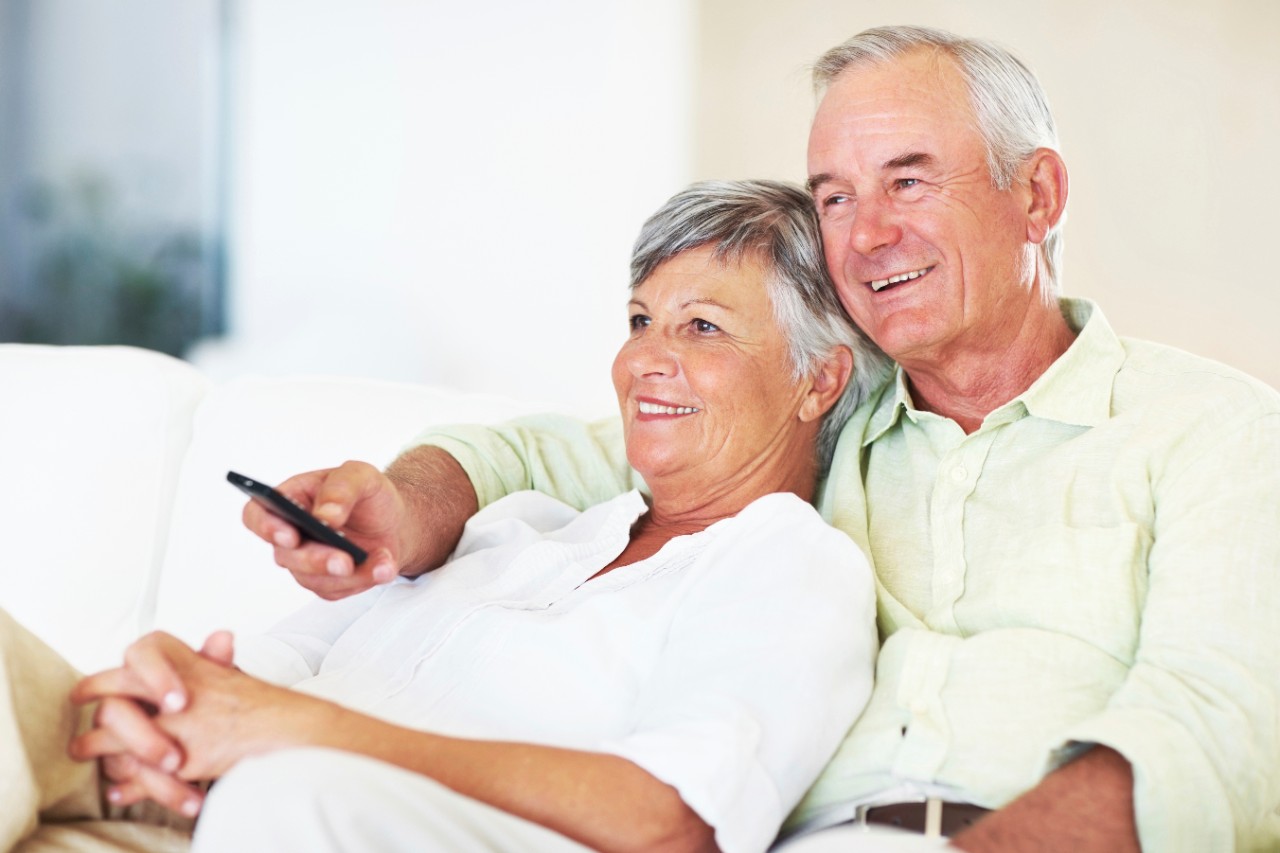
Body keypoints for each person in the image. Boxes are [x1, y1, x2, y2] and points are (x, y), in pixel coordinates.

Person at [171, 25, 1276, 853]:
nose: (867, 233)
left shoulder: (1207, 428)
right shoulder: (819, 419)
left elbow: (1209, 730)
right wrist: (407, 500)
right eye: (835, 197)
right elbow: (551, 451)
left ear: (1035, 192)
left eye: (908, 180)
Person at [1, 180, 885, 853]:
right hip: (203, 803)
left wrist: (287, 729)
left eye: (702, 328)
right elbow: (293, 654)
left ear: (819, 379)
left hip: (326, 818)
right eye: (641, 319)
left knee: (287, 793)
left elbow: (671, 816)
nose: (646, 359)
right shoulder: (527, 528)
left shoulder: (790, 564)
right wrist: (173, 698)